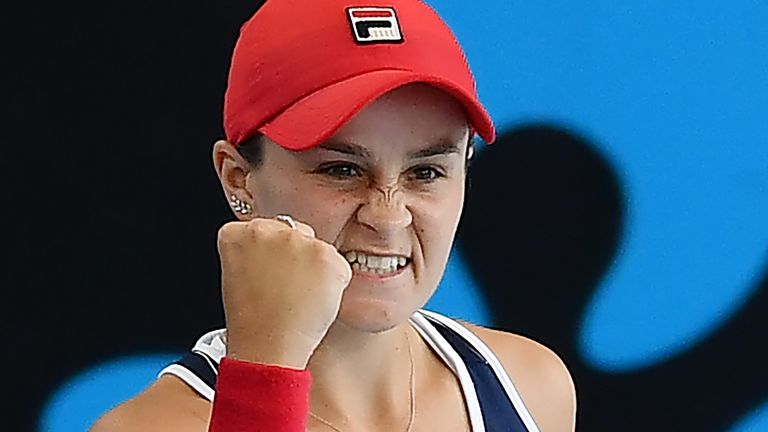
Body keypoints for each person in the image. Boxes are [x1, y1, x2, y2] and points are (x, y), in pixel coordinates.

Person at [91, 0, 576, 431]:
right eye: (342, 169)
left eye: (425, 172)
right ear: (238, 178)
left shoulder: (533, 387)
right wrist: (266, 375)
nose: (387, 217)